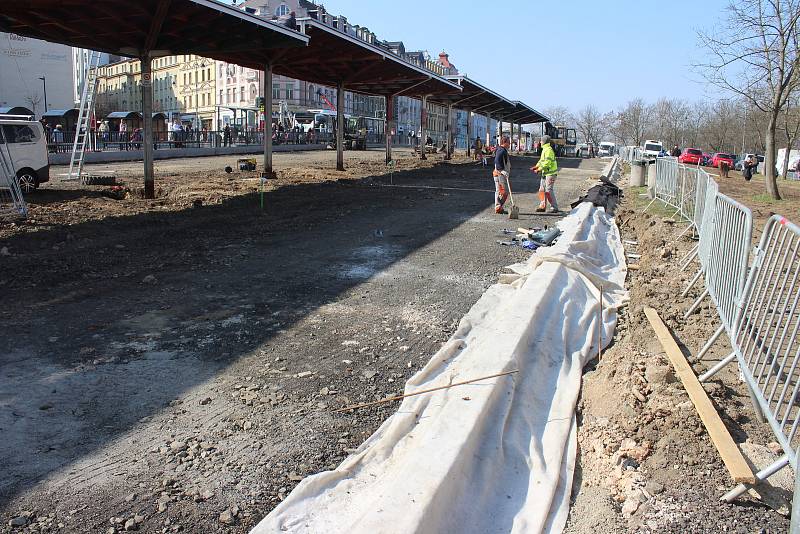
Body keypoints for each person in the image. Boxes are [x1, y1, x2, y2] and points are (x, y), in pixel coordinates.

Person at [531, 134, 559, 213]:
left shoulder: (548, 150)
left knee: (548, 190)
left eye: (541, 140)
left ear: (543, 141)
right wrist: (536, 166)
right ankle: (542, 206)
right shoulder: (545, 149)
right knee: (542, 190)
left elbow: (547, 163)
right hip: (545, 173)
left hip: (551, 174)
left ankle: (554, 207)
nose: (540, 142)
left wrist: (539, 169)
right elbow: (541, 161)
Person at [493, 135, 512, 214]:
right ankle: (498, 206)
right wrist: (502, 170)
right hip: (500, 174)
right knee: (504, 191)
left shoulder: (502, 150)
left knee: (499, 190)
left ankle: (498, 206)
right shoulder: (501, 150)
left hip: (499, 174)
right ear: (505, 142)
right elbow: (497, 161)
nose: (510, 144)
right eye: (509, 142)